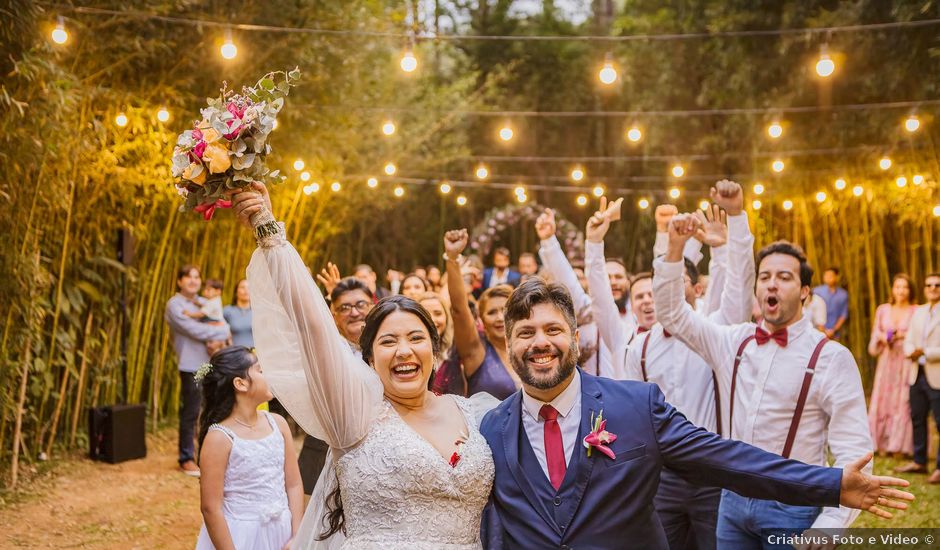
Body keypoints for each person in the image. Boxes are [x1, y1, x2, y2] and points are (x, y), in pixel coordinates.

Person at [481, 277, 913, 549]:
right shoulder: (490, 429)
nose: (540, 342)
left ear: (574, 338)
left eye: (553, 329)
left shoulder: (636, 406)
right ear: (510, 343)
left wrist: (832, 485)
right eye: (526, 333)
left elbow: (726, 460)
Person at [232, 182, 498, 548]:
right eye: (388, 342)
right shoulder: (354, 416)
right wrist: (268, 229)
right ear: (369, 359)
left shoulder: (479, 414)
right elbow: (313, 328)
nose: (404, 350)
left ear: (434, 352)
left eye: (416, 338)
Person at [655, 216, 876, 546]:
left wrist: (829, 526)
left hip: (796, 507)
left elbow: (854, 450)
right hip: (731, 501)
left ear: (805, 292)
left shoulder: (830, 357)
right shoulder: (734, 341)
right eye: (765, 277)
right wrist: (672, 249)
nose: (772, 284)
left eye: (784, 277)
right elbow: (673, 313)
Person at [587, 183, 754, 550]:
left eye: (676, 282)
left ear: (696, 290)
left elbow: (739, 289)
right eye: (652, 289)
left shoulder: (716, 334)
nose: (661, 294)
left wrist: (730, 240)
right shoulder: (639, 348)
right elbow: (631, 416)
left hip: (714, 472)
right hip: (662, 478)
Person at [195, 347, 303, 550]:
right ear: (240, 383)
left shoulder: (278, 424)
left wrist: (297, 533)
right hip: (240, 537)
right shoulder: (219, 437)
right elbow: (211, 508)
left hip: (282, 531)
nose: (268, 375)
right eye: (260, 371)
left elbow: (294, 484)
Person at [296, 277, 376, 496]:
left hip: (378, 456)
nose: (354, 312)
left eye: (361, 305)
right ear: (333, 316)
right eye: (344, 307)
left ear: (373, 307)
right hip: (325, 452)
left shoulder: (388, 348)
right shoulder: (325, 350)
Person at [165, 265, 231, 477]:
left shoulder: (205, 302)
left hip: (211, 363)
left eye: (197, 277)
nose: (193, 281)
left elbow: (226, 327)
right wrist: (218, 331)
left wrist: (220, 331)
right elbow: (193, 329)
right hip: (192, 365)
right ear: (179, 281)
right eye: (188, 277)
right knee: (192, 411)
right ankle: (186, 458)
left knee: (212, 410)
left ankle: (207, 456)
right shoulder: (174, 305)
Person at [445, 229, 521, 400]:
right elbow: (459, 309)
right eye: (492, 312)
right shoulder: (477, 351)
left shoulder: (527, 348)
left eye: (505, 311)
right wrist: (452, 259)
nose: (500, 318)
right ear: (482, 320)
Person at [536, 208, 611, 377]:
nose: (614, 282)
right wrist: (549, 241)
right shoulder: (585, 311)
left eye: (618, 277)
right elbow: (567, 280)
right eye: (610, 277)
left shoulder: (636, 318)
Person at [868, 274, 916, 458]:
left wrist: (903, 337)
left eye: (905, 287)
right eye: (897, 287)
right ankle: (879, 443)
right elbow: (874, 337)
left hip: (905, 361)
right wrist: (882, 338)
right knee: (883, 399)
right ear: (892, 289)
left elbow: (920, 334)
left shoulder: (915, 310)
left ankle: (900, 446)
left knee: (903, 400)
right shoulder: (883, 310)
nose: (901, 291)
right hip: (887, 361)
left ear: (910, 290)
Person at [898, 273, 940, 483]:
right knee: (917, 418)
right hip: (917, 373)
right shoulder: (919, 312)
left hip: (937, 373)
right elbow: (908, 340)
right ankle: (919, 461)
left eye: (937, 285)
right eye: (929, 284)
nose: (933, 288)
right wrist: (910, 351)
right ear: (924, 288)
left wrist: (925, 352)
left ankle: (939, 468)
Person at [419, 291, 465, 396]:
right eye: (425, 314)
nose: (432, 319)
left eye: (438, 313)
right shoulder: (409, 353)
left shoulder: (457, 349)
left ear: (447, 317)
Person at [814, 267, 849, 340]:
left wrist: (833, 330)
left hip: (834, 334)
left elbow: (843, 315)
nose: (827, 278)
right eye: (825, 275)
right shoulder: (816, 292)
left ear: (837, 277)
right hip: (817, 332)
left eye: (830, 275)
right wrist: (822, 330)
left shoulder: (843, 295)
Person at [223, 279, 254, 349]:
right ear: (236, 291)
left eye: (249, 288)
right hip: (234, 354)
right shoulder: (227, 310)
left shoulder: (258, 312)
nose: (246, 290)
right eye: (242, 287)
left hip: (255, 355)